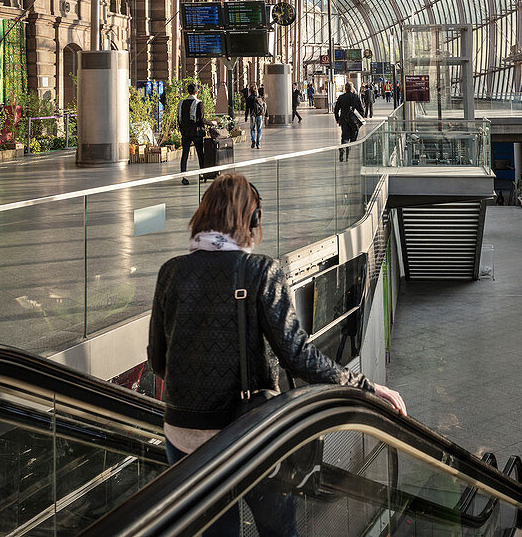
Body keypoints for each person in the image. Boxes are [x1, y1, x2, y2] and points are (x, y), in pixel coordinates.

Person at [148, 173, 406, 536]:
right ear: (251, 220)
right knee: (278, 530)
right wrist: (365, 386)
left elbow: (158, 362)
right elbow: (299, 355)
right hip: (245, 437)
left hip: (182, 438)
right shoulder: (260, 272)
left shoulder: (170, 272)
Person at [177, 82, 206, 175]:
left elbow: (179, 119)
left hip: (186, 133)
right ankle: (202, 174)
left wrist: (182, 130)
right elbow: (201, 119)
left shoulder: (182, 103)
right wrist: (211, 122)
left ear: (188, 92)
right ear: (197, 92)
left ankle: (184, 176)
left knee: (184, 155)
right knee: (200, 154)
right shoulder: (199, 103)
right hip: (196, 133)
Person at [334, 82, 365, 161]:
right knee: (353, 137)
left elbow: (336, 109)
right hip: (353, 121)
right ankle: (348, 154)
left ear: (345, 88)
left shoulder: (341, 97)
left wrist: (337, 119)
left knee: (344, 136)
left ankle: (342, 149)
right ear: (352, 88)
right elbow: (362, 110)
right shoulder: (356, 97)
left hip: (344, 119)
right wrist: (360, 119)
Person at [245, 84, 267, 149]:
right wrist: (266, 115)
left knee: (252, 129)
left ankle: (253, 140)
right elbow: (264, 106)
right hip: (260, 115)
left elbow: (247, 109)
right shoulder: (260, 97)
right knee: (259, 130)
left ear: (250, 91)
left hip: (253, 116)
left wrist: (246, 117)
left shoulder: (248, 98)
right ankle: (258, 144)